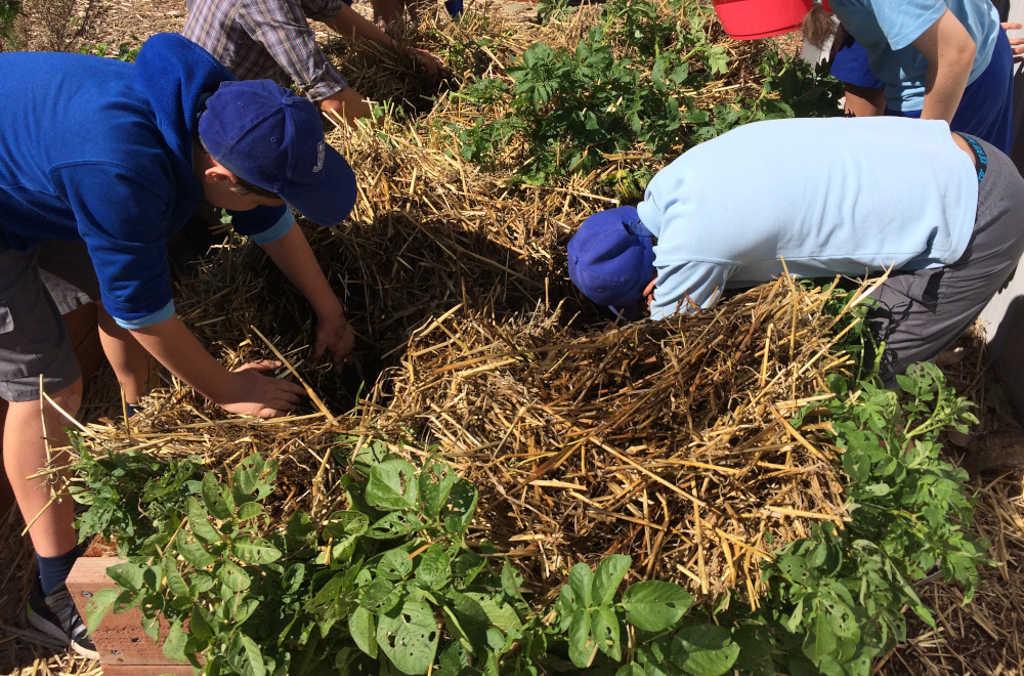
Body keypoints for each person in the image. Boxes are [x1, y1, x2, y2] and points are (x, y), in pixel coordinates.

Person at [0, 33, 357, 656]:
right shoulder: (120, 169)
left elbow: (263, 217)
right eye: (272, 191)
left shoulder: (216, 108)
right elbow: (143, 311)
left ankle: (142, 415)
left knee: (121, 276)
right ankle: (54, 595)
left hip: (41, 161)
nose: (281, 207)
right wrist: (227, 388)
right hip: (36, 180)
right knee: (48, 384)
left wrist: (329, 309)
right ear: (220, 176)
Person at [567, 116, 1024, 382]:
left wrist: (659, 306)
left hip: (979, 219)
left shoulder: (693, 251)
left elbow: (673, 361)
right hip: (958, 152)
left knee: (858, 369)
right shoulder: (672, 182)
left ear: (649, 282)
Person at [182, 0, 446, 123]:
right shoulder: (266, 4)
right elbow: (332, 100)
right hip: (222, 120)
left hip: (241, 94)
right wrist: (408, 127)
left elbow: (334, 11)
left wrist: (398, 52)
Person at [803, 0, 1015, 151]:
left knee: (951, 200)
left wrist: (924, 152)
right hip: (951, 56)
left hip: (950, 85)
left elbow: (954, 53)